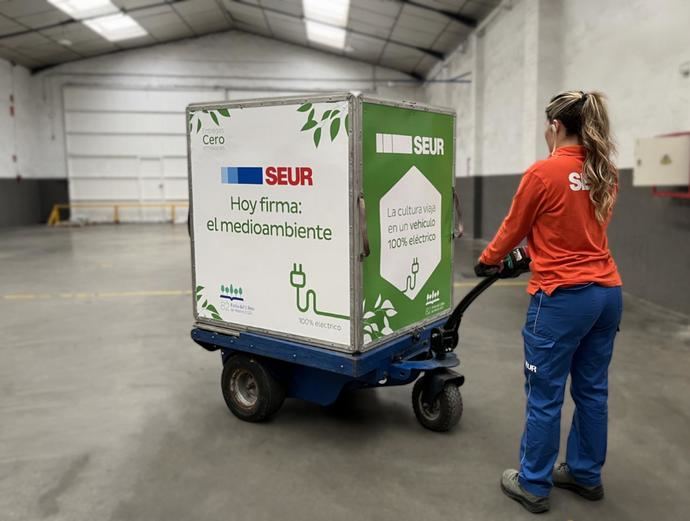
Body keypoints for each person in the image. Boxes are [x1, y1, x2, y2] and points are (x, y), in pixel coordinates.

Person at [474, 90, 623, 514]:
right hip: (607, 294)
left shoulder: (543, 172)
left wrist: (489, 260)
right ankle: (585, 474)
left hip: (561, 299)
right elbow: (583, 233)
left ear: (556, 126)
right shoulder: (605, 172)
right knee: (593, 390)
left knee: (545, 393)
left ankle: (533, 483)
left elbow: (512, 227)